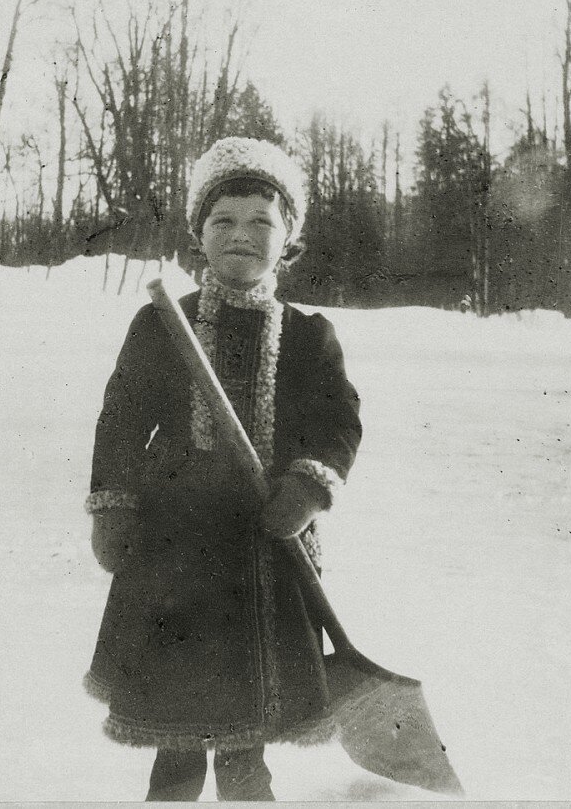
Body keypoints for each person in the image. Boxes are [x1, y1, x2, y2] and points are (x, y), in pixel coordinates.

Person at [84, 137, 362, 801]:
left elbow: (338, 423)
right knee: (176, 738)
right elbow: (120, 420)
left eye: (262, 222)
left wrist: (305, 485)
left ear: (288, 236)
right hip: (172, 552)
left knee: (247, 741)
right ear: (198, 236)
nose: (242, 235)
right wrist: (114, 506)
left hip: (266, 548)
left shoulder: (307, 335)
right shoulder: (160, 326)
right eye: (224, 221)